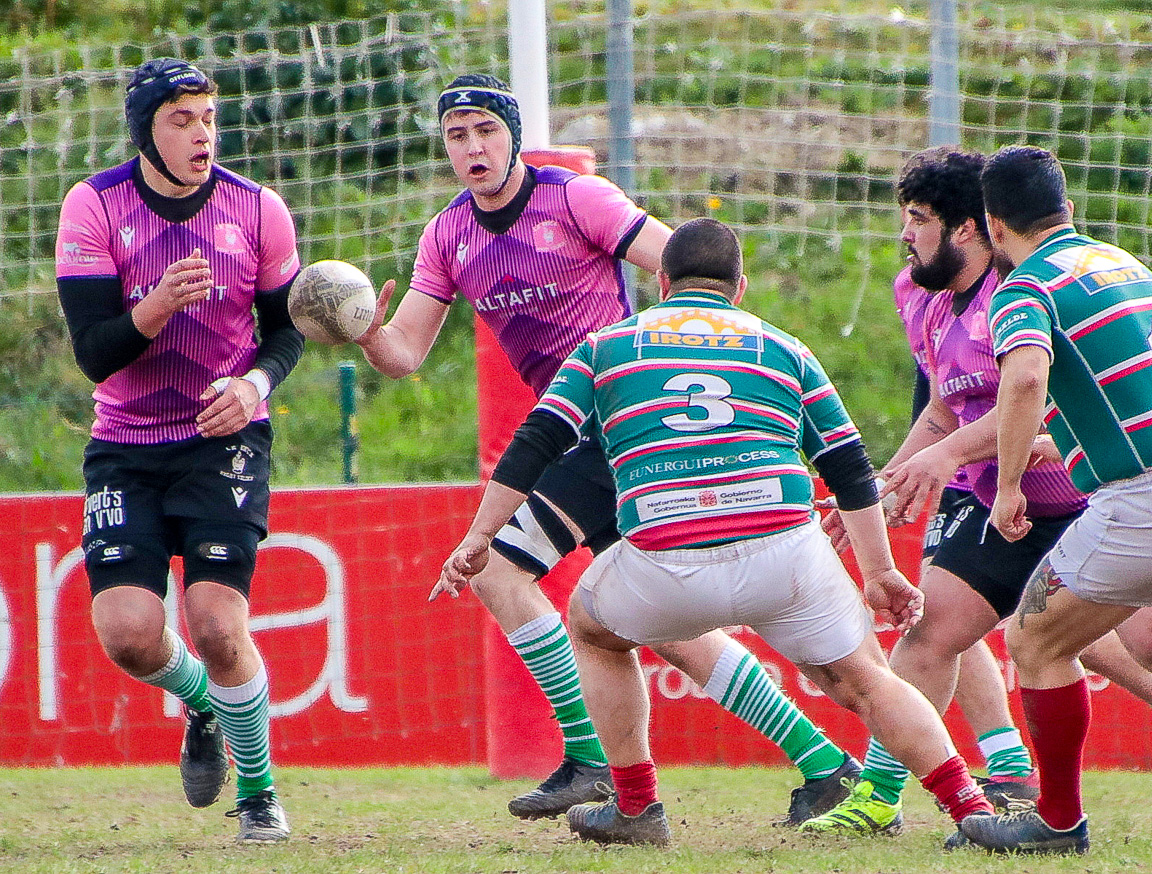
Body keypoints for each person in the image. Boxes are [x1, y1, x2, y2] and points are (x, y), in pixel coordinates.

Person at [357, 74, 859, 824]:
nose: (473, 147)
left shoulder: (577, 201)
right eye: (457, 135)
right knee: (666, 631)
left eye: (485, 130)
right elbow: (403, 354)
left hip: (622, 432)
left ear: (514, 136)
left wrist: (664, 380)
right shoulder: (447, 235)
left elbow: (691, 281)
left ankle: (595, 758)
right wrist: (363, 325)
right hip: (579, 437)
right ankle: (823, 762)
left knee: (503, 567)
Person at [440, 218, 1003, 848]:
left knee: (592, 626)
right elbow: (846, 465)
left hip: (667, 564)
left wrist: (479, 537)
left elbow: (535, 443)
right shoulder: (785, 348)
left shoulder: (604, 348)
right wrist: (879, 573)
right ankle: (972, 808)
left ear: (660, 282)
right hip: (786, 556)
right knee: (869, 682)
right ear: (739, 288)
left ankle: (635, 806)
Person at [802, 146, 1152, 837]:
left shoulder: (1029, 288)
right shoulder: (922, 295)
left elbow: (1038, 402)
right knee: (936, 629)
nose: (905, 236)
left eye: (918, 220)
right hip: (996, 498)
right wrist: (883, 490)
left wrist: (965, 463)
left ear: (975, 227)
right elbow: (945, 407)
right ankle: (880, 797)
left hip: (1094, 493)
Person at [55, 58, 301, 843]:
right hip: (124, 445)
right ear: (145, 132)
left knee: (218, 624)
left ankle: (259, 794)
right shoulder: (94, 205)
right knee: (127, 632)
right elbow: (94, 353)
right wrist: (154, 308)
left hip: (221, 439)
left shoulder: (258, 209)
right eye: (181, 120)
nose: (201, 134)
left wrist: (256, 387)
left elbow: (286, 330)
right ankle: (201, 701)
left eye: (208, 118)